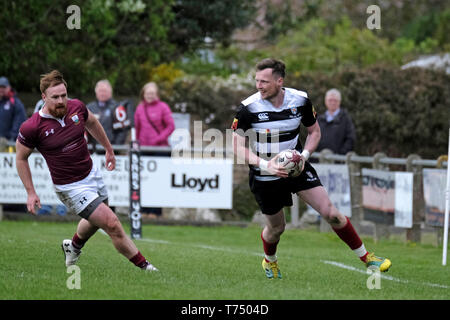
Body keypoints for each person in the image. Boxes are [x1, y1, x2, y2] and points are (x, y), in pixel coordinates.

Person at [231, 58, 391, 279]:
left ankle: (368, 259)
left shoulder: (300, 100)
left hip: (297, 169)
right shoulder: (248, 108)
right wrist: (267, 165)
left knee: (332, 213)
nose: (259, 85)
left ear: (279, 81)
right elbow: (237, 147)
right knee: (276, 229)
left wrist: (303, 157)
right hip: (265, 174)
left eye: (264, 81)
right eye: (257, 81)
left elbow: (314, 132)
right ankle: (270, 260)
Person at [15, 70, 157, 271]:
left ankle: (73, 247)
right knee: (112, 223)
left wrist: (109, 149)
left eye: (64, 95)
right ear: (44, 97)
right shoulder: (32, 127)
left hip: (92, 174)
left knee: (96, 220)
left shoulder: (77, 107)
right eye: (55, 97)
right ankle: (146, 268)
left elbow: (92, 122)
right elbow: (21, 158)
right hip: (70, 187)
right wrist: (30, 192)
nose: (61, 101)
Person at [134, 82, 175, 218]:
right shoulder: (139, 109)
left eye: (152, 93)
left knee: (158, 181)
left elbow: (171, 126)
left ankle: (156, 211)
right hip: (144, 149)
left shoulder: (163, 107)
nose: (150, 96)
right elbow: (137, 128)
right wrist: (137, 144)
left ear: (156, 94)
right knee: (144, 180)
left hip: (160, 149)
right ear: (143, 94)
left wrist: (157, 139)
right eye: (147, 93)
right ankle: (144, 210)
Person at [86, 80, 131, 146]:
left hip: (112, 148)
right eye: (100, 91)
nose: (102, 93)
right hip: (93, 150)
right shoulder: (89, 108)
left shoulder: (118, 108)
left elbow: (122, 131)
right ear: (96, 92)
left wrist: (115, 148)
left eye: (104, 91)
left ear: (110, 92)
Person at [316, 88, 356, 155]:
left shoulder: (346, 119)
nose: (332, 102)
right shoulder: (319, 119)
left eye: (335, 100)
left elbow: (351, 139)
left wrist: (340, 155)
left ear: (339, 102)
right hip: (319, 161)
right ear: (325, 101)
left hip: (338, 161)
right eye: (330, 100)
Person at [0, 76, 27, 145]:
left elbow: (20, 121)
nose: (1, 89)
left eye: (4, 87)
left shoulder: (15, 102)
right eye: (0, 87)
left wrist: (12, 136)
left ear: (9, 88)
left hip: (9, 141)